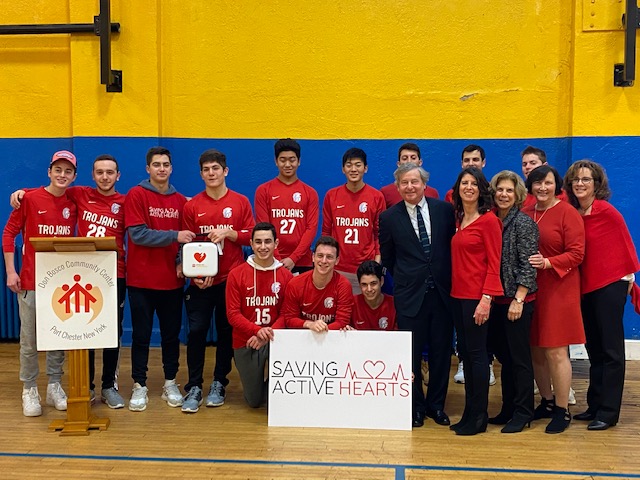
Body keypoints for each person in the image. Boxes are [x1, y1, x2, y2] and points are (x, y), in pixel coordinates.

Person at [9, 154, 128, 408]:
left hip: (96, 276)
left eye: (110, 172)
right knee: (48, 338)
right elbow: (46, 196)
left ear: (118, 176)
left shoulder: (117, 201)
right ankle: (44, 388)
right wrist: (22, 191)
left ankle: (85, 386)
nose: (104, 177)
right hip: (50, 278)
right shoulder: (74, 195)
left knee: (85, 336)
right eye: (99, 172)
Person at [564, 160, 640, 430]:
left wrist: (628, 279)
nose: (580, 184)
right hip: (585, 287)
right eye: (576, 180)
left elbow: (623, 248)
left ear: (597, 184)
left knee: (611, 351)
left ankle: (608, 412)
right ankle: (595, 404)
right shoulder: (574, 212)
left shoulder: (607, 212)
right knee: (593, 348)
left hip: (610, 285)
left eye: (586, 179)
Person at [379, 163, 455, 429]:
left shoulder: (445, 211)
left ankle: (437, 405)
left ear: (424, 184)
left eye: (414, 182)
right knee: (410, 355)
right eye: (404, 183)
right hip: (410, 296)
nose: (410, 187)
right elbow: (387, 257)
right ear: (398, 188)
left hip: (443, 295)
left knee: (441, 354)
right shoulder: (388, 218)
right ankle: (415, 407)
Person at [2, 150, 78, 417]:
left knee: (59, 336)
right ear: (49, 172)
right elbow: (9, 234)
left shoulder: (74, 201)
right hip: (31, 282)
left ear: (74, 176)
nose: (62, 175)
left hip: (61, 284)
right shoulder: (29, 198)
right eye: (58, 170)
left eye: (68, 171)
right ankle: (29, 388)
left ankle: (55, 384)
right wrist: (11, 271)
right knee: (29, 339)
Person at [180, 149, 255, 412]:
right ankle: (194, 386)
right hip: (200, 283)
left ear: (225, 171)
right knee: (197, 332)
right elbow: (188, 245)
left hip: (230, 280)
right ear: (201, 174)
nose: (211, 173)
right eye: (206, 169)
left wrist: (230, 232)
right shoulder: (192, 206)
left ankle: (219, 382)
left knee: (226, 332)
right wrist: (195, 274)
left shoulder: (240, 202)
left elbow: (251, 236)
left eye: (216, 168)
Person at [125, 146, 195, 411]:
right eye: (157, 164)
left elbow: (184, 243)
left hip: (171, 282)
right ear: (148, 169)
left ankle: (170, 382)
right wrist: (173, 236)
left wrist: (179, 261)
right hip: (141, 281)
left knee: (170, 336)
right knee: (141, 336)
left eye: (166, 164)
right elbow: (138, 235)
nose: (162, 169)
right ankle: (139, 385)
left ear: (171, 168)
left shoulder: (181, 201)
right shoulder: (137, 194)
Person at [523, 164, 585, 434]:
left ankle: (562, 409)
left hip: (559, 289)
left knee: (556, 351)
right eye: (537, 183)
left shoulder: (567, 212)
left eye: (547, 183)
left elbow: (577, 253)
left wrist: (548, 262)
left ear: (556, 185)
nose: (542, 188)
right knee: (535, 348)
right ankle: (546, 402)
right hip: (531, 290)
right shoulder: (525, 213)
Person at [450, 167, 504, 435]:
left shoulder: (489, 221)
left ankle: (480, 416)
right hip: (458, 297)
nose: (468, 187)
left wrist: (486, 299)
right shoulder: (459, 219)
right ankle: (469, 412)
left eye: (473, 183)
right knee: (466, 357)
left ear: (481, 189)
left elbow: (495, 264)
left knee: (478, 356)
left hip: (476, 298)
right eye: (464, 183)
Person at [221, 222, 294, 409]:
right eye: (258, 242)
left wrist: (266, 334)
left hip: (276, 339)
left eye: (268, 241)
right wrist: (257, 331)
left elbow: (287, 314)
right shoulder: (236, 274)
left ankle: (273, 388)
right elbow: (233, 314)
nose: (263, 247)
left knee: (275, 400)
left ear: (276, 244)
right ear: (251, 244)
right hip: (246, 340)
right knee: (254, 401)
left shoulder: (286, 276)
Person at [488, 171, 538, 433]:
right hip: (496, 300)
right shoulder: (493, 220)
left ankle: (523, 411)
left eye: (509, 190)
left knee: (520, 359)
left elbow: (528, 266)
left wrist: (519, 299)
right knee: (504, 358)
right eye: (500, 190)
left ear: (517, 194)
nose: (504, 194)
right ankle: (508, 408)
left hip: (517, 301)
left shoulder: (524, 223)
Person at [322, 148, 385, 293]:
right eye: (349, 165)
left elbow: (379, 234)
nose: (354, 169)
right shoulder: (332, 195)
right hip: (338, 268)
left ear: (366, 168)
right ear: (343, 169)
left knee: (363, 314)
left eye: (358, 165)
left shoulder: (376, 197)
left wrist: (376, 263)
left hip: (366, 269)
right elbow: (326, 232)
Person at [254, 139, 319, 273]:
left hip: (302, 261)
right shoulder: (264, 190)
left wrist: (293, 258)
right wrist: (276, 258)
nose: (288, 164)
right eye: (283, 160)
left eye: (292, 159)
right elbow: (263, 227)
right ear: (276, 161)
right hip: (270, 260)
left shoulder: (310, 193)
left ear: (299, 161)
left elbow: (311, 229)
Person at [282, 236, 353, 331]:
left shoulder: (344, 285)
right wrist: (310, 324)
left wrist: (321, 329)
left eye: (329, 257)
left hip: (332, 338)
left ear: (337, 260)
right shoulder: (295, 284)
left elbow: (342, 322)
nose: (324, 261)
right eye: (320, 256)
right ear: (313, 257)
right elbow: (289, 319)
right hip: (303, 338)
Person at [379, 143, 439, 209]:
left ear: (420, 162)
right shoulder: (386, 192)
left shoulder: (432, 193)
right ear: (398, 164)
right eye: (405, 158)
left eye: (413, 158)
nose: (409, 161)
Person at [351, 260, 396, 331]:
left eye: (373, 283)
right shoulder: (351, 303)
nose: (369, 289)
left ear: (381, 281)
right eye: (364, 284)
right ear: (359, 285)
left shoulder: (395, 304)